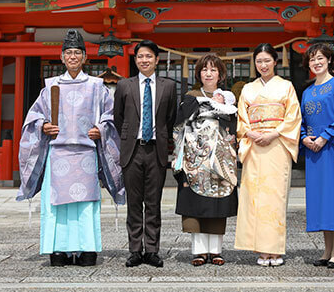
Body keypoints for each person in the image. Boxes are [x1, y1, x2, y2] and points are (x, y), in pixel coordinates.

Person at [17, 29, 125, 267]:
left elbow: (111, 117)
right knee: (56, 204)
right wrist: (43, 125)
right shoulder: (51, 86)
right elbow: (33, 117)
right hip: (58, 154)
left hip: (86, 153)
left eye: (77, 53)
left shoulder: (98, 87)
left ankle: (88, 250)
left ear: (85, 57)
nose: (73, 57)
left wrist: (101, 129)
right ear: (62, 57)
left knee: (86, 205)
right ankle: (58, 251)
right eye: (69, 53)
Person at [234, 43, 301, 266]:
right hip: (254, 146)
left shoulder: (287, 86)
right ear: (255, 64)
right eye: (259, 61)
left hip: (277, 145)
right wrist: (252, 133)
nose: (263, 65)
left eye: (267, 60)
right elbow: (241, 119)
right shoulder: (248, 89)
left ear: (275, 62)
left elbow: (293, 118)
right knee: (254, 198)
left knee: (275, 197)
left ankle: (275, 250)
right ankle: (262, 250)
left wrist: (273, 134)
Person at [113, 40, 178, 268]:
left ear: (157, 59)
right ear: (135, 60)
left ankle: (152, 250)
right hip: (132, 150)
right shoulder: (124, 86)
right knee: (134, 203)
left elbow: (170, 118)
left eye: (149, 56)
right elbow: (118, 118)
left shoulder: (168, 86)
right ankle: (134, 250)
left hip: (156, 150)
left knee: (153, 203)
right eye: (140, 56)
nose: (144, 60)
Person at [173, 54, 238, 266]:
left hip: (220, 161)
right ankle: (199, 251)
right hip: (196, 159)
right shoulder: (190, 96)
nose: (208, 74)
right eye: (204, 70)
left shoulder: (228, 98)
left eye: (213, 70)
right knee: (197, 204)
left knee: (217, 203)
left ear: (220, 74)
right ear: (198, 73)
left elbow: (234, 127)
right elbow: (180, 125)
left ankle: (216, 250)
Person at [301, 42, 334, 269]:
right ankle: (325, 250)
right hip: (314, 152)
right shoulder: (307, 91)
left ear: (330, 60)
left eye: (320, 57)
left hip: (333, 149)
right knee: (321, 200)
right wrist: (304, 137)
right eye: (312, 59)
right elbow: (301, 120)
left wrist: (324, 137)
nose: (317, 62)